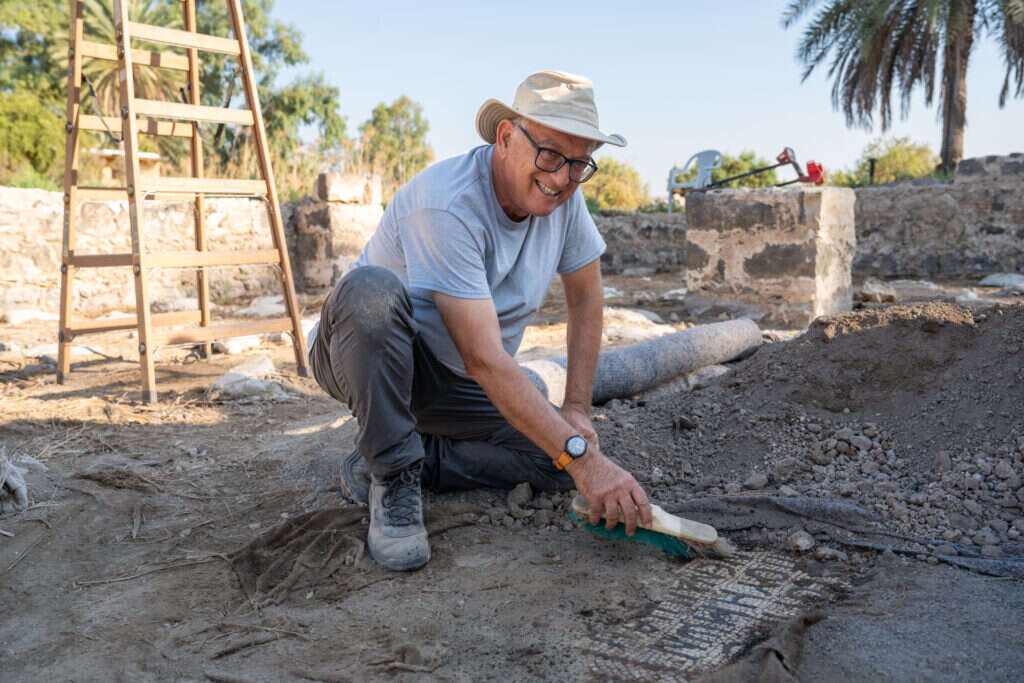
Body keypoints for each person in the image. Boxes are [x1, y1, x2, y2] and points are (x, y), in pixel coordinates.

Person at [308, 70, 652, 571]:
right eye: (551, 154)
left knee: (556, 462)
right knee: (370, 292)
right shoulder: (449, 204)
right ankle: (394, 476)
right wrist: (585, 459)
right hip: (367, 357)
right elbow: (485, 358)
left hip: (457, 381)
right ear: (506, 137)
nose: (562, 177)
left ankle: (408, 453)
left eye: (579, 163)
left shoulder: (565, 199)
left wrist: (576, 410)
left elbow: (586, 297)